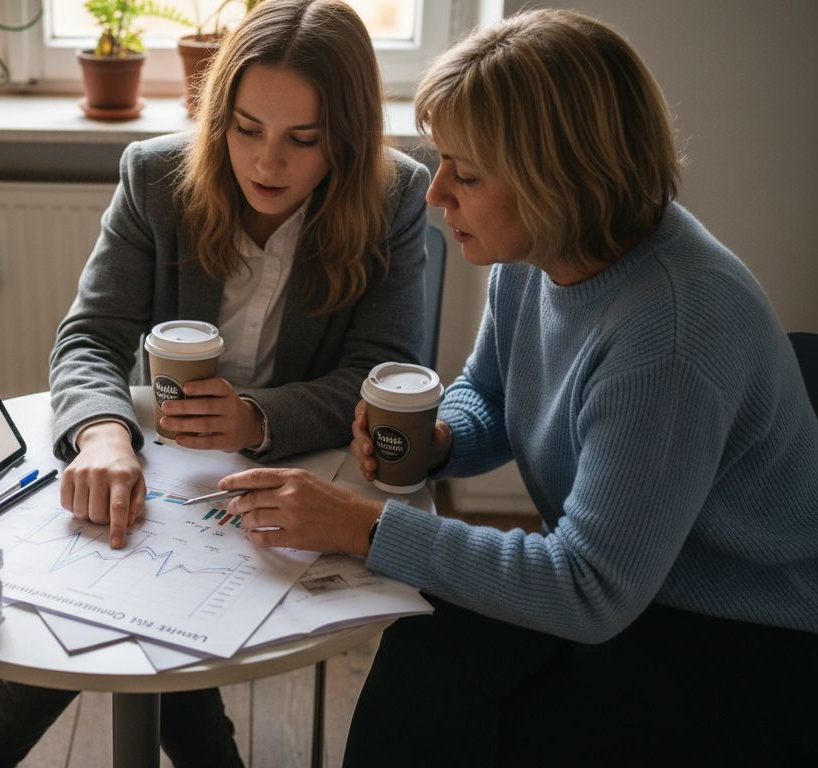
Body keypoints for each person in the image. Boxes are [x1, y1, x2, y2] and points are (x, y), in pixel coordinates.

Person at [216, 9, 818, 766]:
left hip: (747, 632)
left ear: (557, 181)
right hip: (638, 585)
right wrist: (439, 442)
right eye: (443, 162)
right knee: (424, 656)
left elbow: (588, 589)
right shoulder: (536, 249)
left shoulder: (669, 332)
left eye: (466, 174)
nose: (437, 197)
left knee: (496, 721)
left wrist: (365, 527)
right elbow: (491, 394)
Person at [0, 1, 431, 766]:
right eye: (245, 129)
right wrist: (104, 434)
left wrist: (256, 420)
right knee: (122, 631)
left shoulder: (395, 195)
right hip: (164, 470)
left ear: (349, 137)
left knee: (109, 661)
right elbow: (89, 337)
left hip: (299, 476)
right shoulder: (157, 177)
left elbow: (378, 372)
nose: (267, 164)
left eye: (303, 140)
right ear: (217, 118)